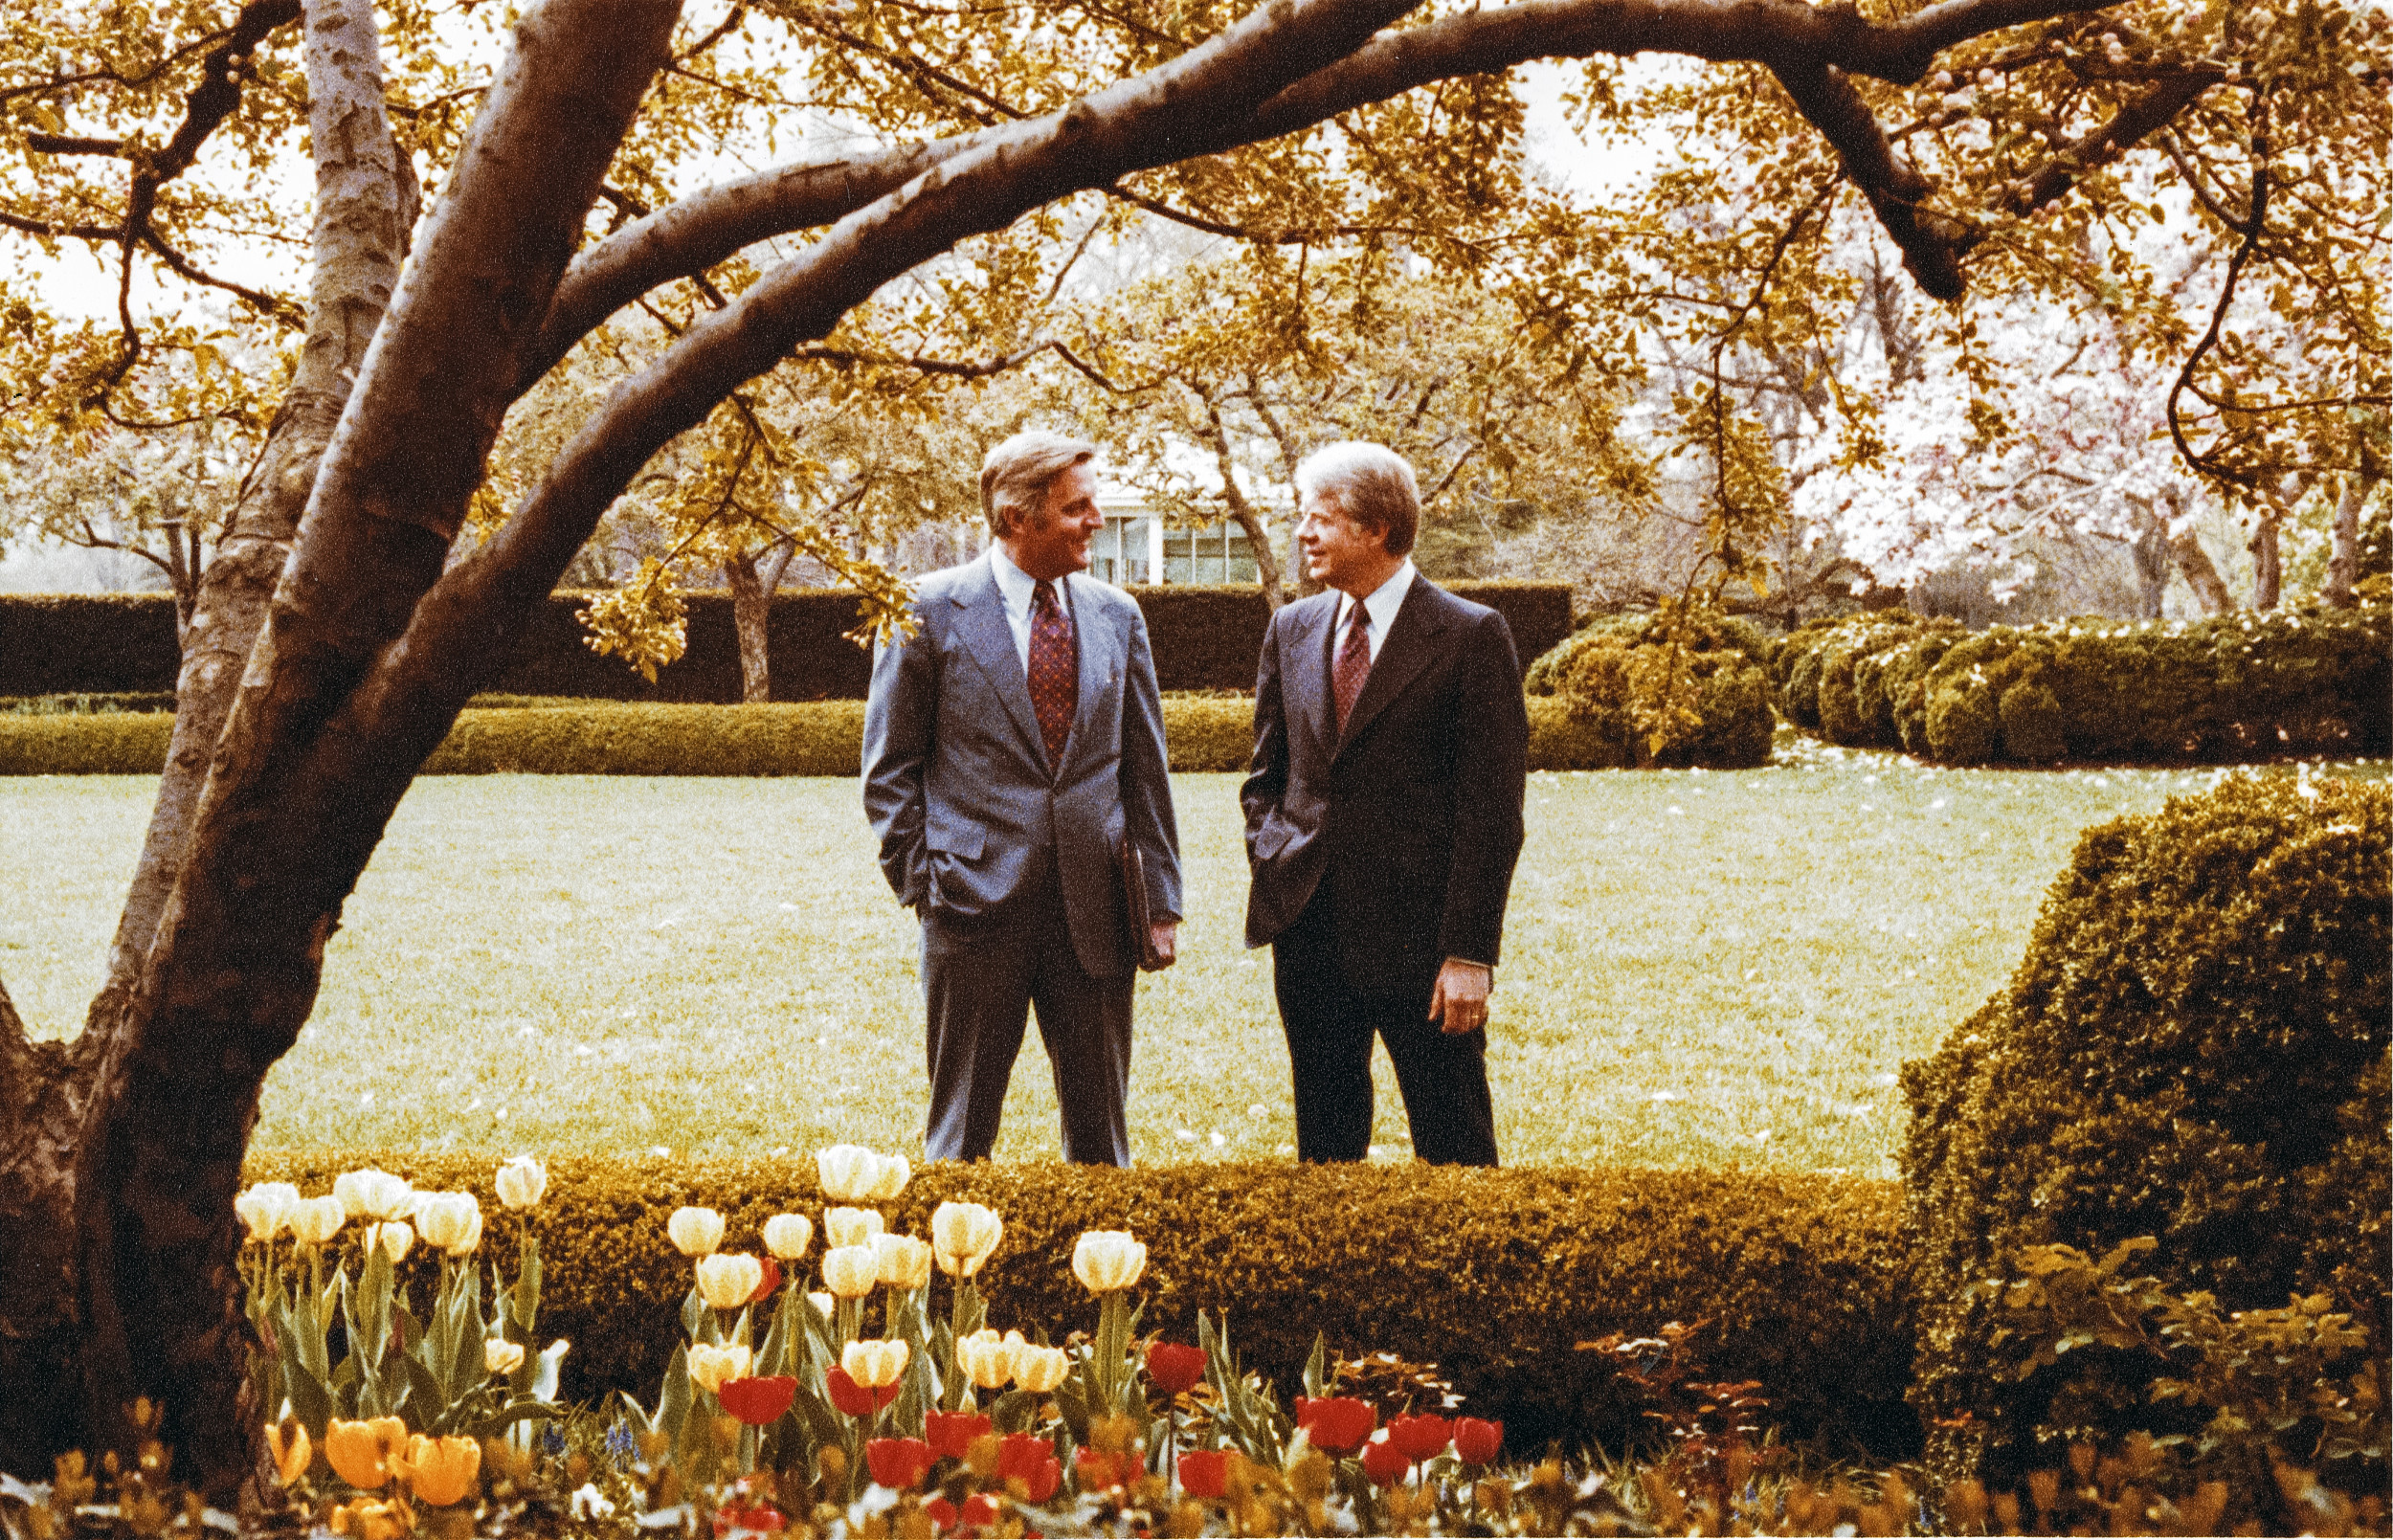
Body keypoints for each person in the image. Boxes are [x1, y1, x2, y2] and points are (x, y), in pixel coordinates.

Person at [863, 430, 1181, 1166]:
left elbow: (1145, 772)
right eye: (1077, 507)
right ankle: (947, 1281)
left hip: (1096, 913)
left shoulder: (1117, 615)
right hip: (971, 911)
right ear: (1016, 518)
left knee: (1102, 1143)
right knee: (961, 1139)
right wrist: (926, 883)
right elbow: (888, 771)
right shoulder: (925, 610)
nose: (1097, 520)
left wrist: (1159, 900)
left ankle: (1103, 1278)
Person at [1241, 441, 1528, 1166]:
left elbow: (1491, 814)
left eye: (1322, 518)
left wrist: (1469, 953)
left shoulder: (1470, 635)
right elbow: (1265, 778)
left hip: (1425, 947)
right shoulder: (1292, 629)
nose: (1304, 533)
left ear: (1375, 529)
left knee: (1457, 1150)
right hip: (1310, 935)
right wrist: (1276, 856)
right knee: (1326, 1155)